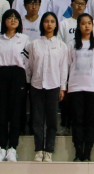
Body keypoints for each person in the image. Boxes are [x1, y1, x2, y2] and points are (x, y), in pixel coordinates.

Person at [25, 12, 68, 162]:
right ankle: (38, 150)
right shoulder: (34, 44)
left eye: (52, 21)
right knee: (37, 119)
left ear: (56, 25)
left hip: (54, 85)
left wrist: (62, 87)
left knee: (51, 120)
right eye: (46, 21)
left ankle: (49, 150)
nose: (49, 24)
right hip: (36, 84)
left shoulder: (61, 46)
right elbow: (30, 65)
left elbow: (63, 68)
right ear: (42, 24)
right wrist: (29, 82)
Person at [0, 10, 30, 163]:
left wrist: (25, 78)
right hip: (1, 74)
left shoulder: (24, 39)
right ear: (4, 21)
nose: (12, 20)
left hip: (18, 75)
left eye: (15, 18)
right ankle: (1, 147)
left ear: (19, 21)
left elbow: (28, 61)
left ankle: (12, 147)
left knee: (16, 112)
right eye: (9, 18)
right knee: (2, 111)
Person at [67, 13, 94, 161]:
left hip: (92, 87)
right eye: (83, 23)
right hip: (75, 86)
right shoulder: (71, 44)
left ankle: (88, 151)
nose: (86, 26)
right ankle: (78, 151)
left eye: (89, 23)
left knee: (90, 120)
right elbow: (67, 65)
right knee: (77, 120)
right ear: (78, 26)